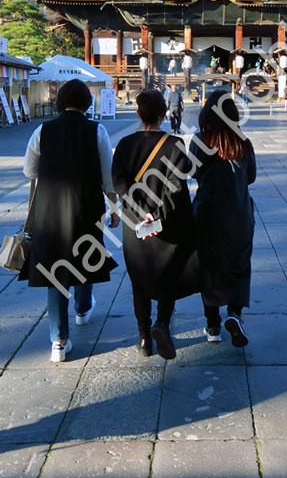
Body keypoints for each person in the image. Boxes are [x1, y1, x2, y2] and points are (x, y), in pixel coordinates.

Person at [21, 79, 119, 363]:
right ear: (87, 102)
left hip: (49, 210)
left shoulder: (42, 131)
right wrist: (114, 210)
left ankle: (59, 341)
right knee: (85, 255)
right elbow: (108, 177)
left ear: (60, 101)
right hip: (86, 207)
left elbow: (29, 171)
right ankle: (83, 308)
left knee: (55, 270)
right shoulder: (96, 131)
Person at [111, 90, 200, 360]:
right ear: (164, 114)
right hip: (168, 223)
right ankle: (161, 323)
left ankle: (143, 338)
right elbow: (177, 185)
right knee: (168, 273)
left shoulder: (125, 145)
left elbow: (119, 182)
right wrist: (158, 213)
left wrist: (141, 211)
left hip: (135, 224)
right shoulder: (175, 145)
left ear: (139, 113)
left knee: (139, 278)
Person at [190, 92, 257, 347]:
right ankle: (234, 314)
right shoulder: (243, 142)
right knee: (239, 264)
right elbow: (250, 177)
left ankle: (212, 325)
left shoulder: (200, 140)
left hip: (207, 213)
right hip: (239, 213)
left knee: (209, 266)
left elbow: (192, 171)